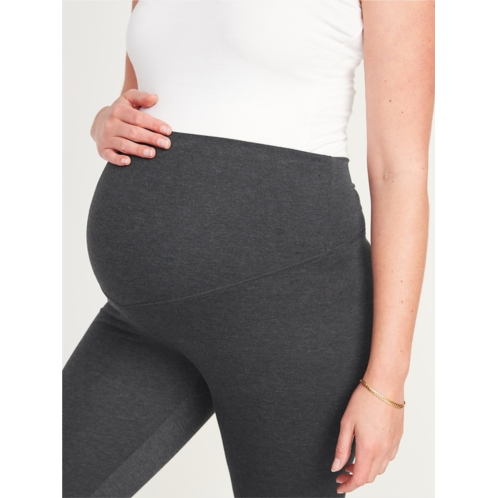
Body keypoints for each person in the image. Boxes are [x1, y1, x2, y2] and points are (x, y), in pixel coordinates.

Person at [62, 1, 435, 497]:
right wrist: (104, 122)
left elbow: (398, 173)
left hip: (288, 315)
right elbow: (138, 100)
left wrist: (386, 386)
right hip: (143, 319)